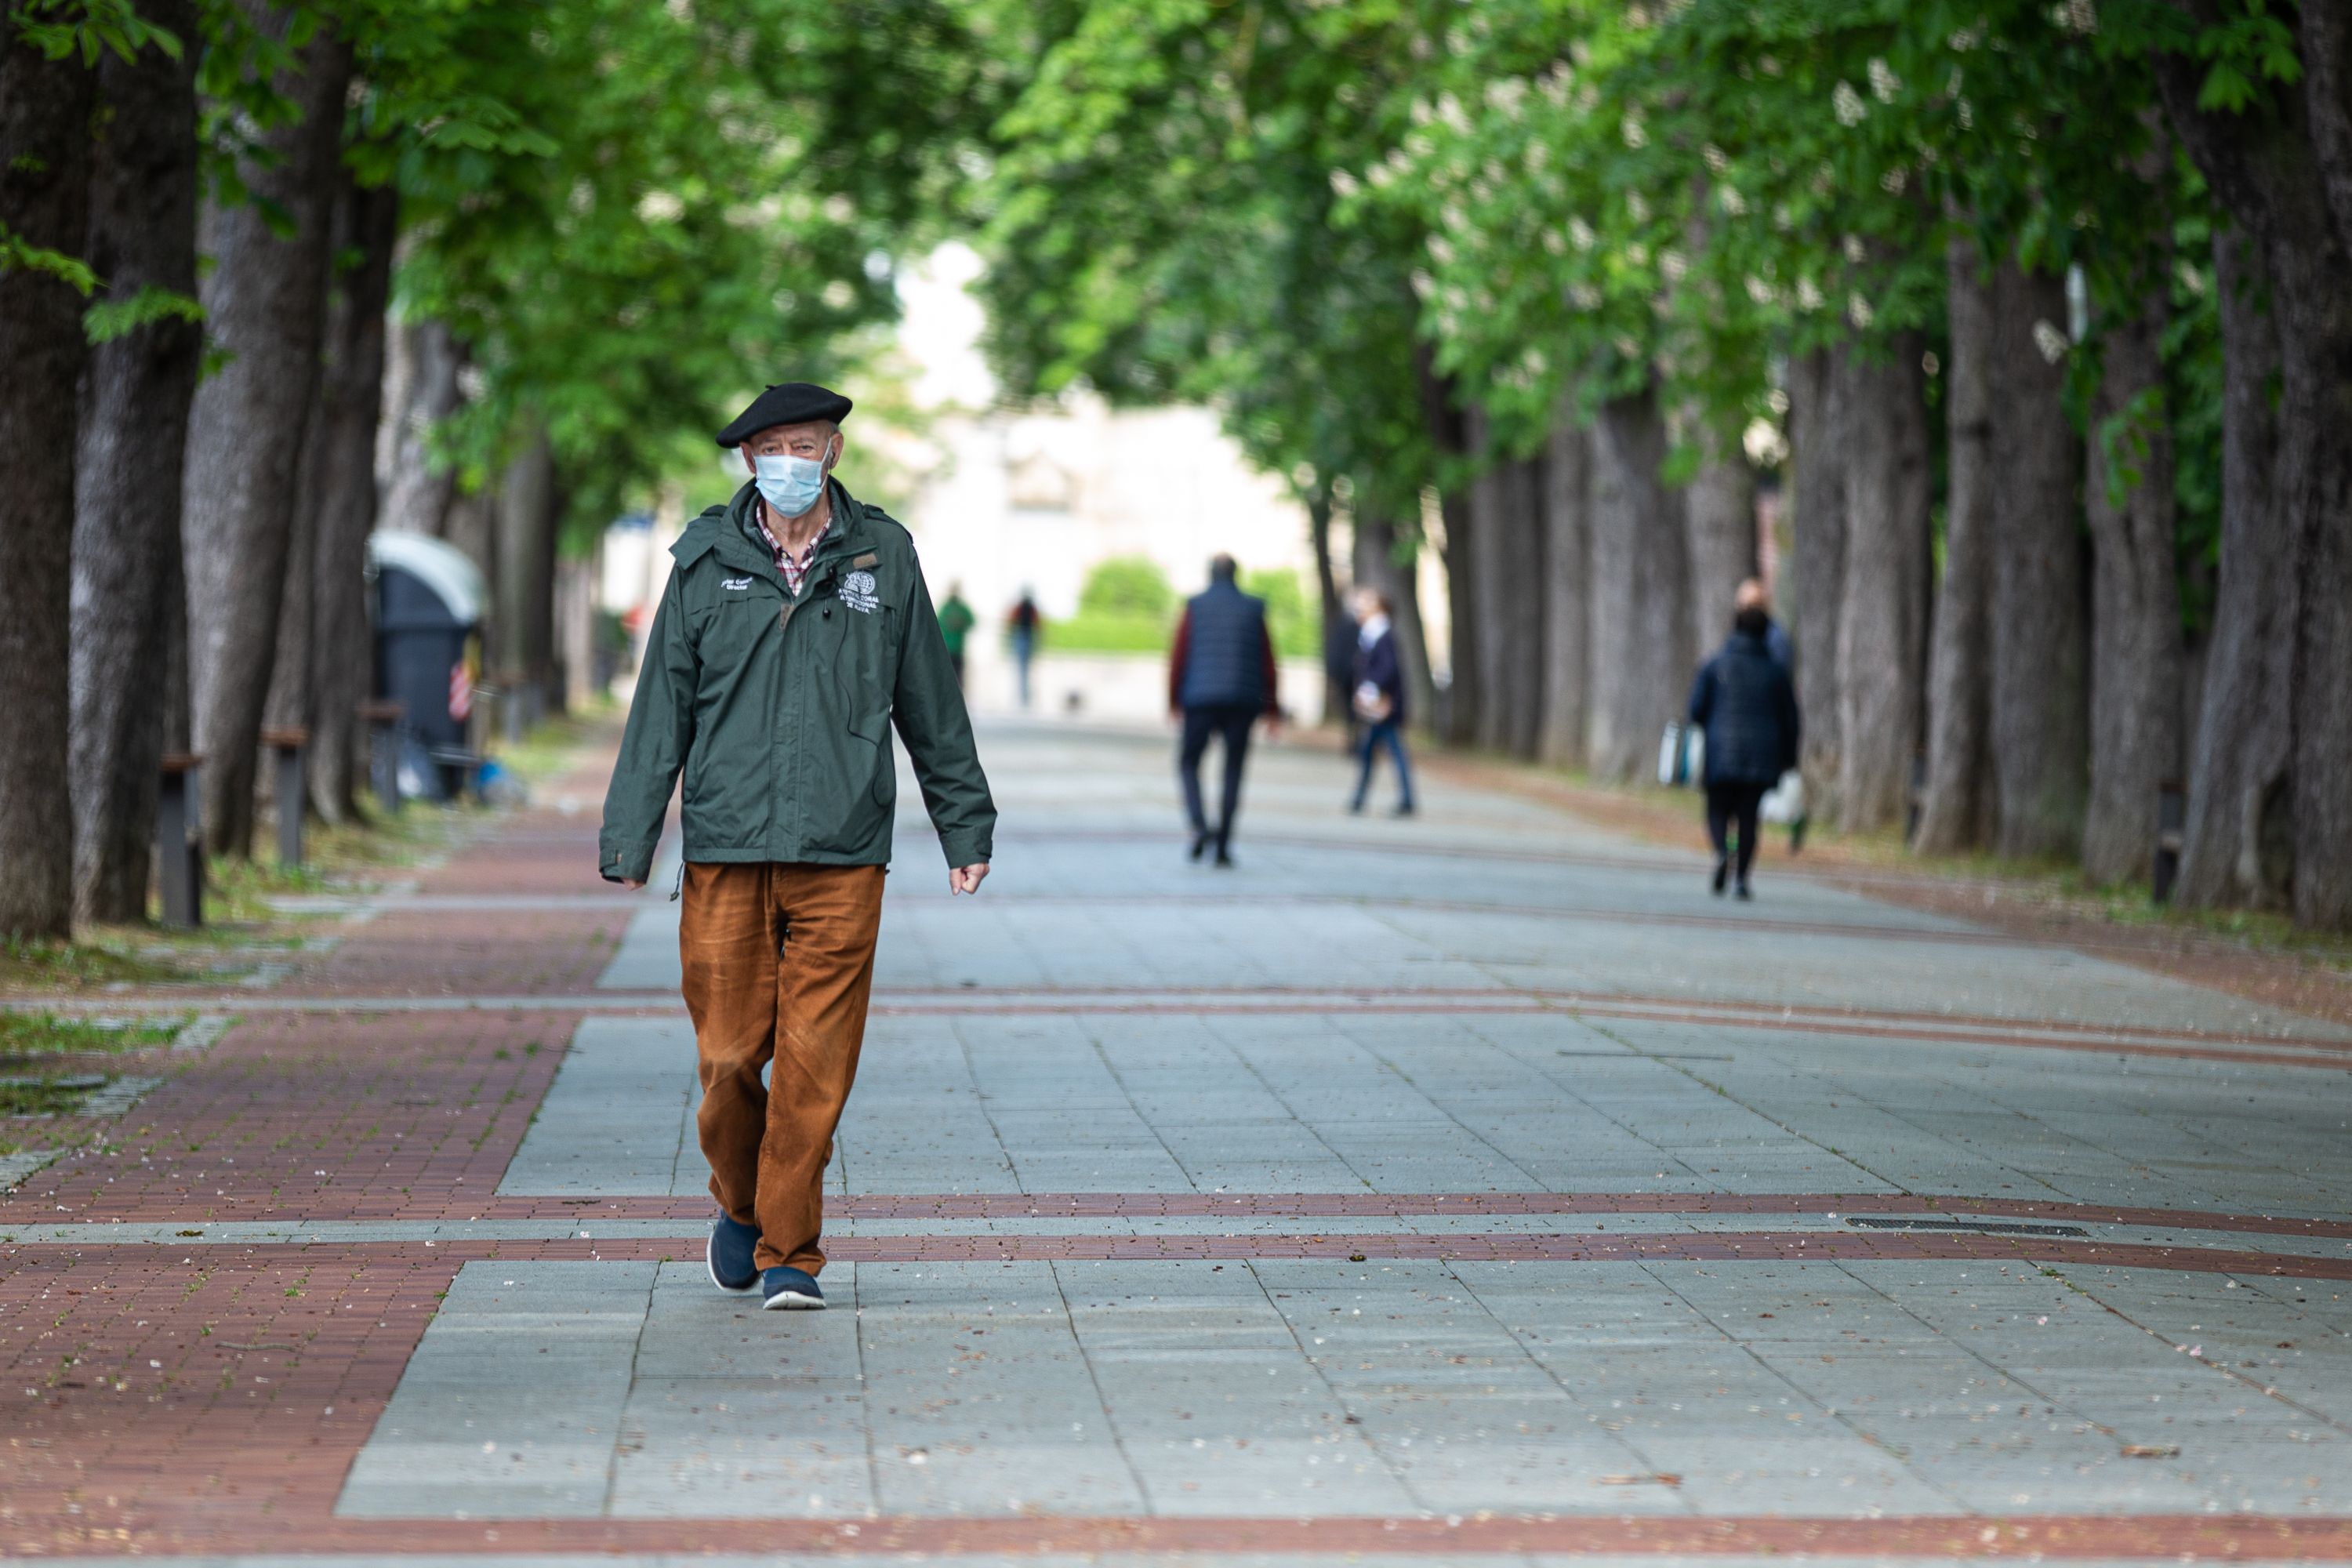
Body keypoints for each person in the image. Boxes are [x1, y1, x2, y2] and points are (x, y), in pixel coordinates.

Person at [599, 380, 996, 1312]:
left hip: (843, 848)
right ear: (748, 459)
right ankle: (740, 1205)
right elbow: (661, 706)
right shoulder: (703, 559)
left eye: (806, 445)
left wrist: (963, 824)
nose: (790, 461)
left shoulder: (882, 556)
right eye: (773, 446)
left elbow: (930, 702)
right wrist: (631, 835)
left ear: (833, 454)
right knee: (731, 1057)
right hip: (728, 845)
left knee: (817, 1060)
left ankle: (791, 1251)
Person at [1167, 554, 1279, 866]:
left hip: (1199, 700)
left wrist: (1173, 701)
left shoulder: (1195, 606)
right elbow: (1268, 662)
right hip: (1242, 701)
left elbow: (1179, 655)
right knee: (1233, 770)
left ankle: (1199, 826)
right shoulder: (1254, 607)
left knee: (1188, 762)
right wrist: (1272, 710)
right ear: (1235, 575)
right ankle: (1224, 846)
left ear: (1210, 574)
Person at [1686, 599, 1800, 900]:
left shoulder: (1714, 664)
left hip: (1721, 751)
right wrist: (1789, 759)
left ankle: (1723, 851)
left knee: (1718, 809)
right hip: (1762, 757)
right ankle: (1741, 879)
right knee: (1749, 818)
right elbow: (1791, 720)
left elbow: (1696, 709)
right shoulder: (1776, 673)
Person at [1732, 575, 1806, 851]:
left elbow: (1778, 688)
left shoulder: (1776, 641)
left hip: (1764, 729)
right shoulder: (1740, 635)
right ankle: (1735, 846)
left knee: (1757, 796)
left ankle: (1795, 816)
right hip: (1744, 726)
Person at [1346, 587, 1415, 816]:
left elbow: (1388, 669)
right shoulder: (1370, 634)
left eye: (1368, 601)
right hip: (1378, 705)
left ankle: (1403, 800)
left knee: (1390, 751)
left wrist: (1369, 690)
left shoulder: (1382, 635)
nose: (1362, 604)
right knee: (1371, 751)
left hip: (1384, 706)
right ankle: (1360, 799)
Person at [937, 582, 976, 685]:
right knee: (946, 679)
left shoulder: (962, 608)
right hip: (946, 650)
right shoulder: (945, 607)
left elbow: (972, 621)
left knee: (958, 679)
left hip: (958, 650)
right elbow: (937, 623)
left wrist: (960, 623)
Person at [1007, 590, 1040, 707]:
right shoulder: (1030, 608)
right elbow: (1037, 625)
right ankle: (1024, 697)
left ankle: (1023, 696)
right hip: (1027, 637)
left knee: (1022, 669)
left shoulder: (1022, 607)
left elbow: (1011, 622)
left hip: (1022, 637)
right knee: (1025, 669)